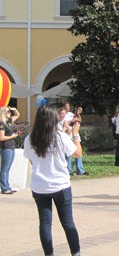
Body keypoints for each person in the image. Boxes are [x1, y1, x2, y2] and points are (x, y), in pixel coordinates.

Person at [23, 106, 82, 256]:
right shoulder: (60, 136)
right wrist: (75, 135)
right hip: (61, 185)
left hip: (39, 186)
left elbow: (31, 161)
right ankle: (76, 253)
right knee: (68, 222)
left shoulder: (30, 139)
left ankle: (49, 254)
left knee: (45, 223)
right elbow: (78, 153)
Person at [0, 106, 20, 194]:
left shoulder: (9, 122)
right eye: (8, 112)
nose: (10, 113)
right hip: (6, 147)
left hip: (11, 147)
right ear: (4, 113)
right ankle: (4, 187)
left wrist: (12, 109)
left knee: (8, 168)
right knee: (4, 168)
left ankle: (7, 186)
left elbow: (17, 114)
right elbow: (1, 137)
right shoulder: (2, 123)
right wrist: (12, 136)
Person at [66, 106, 88, 175]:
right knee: (69, 153)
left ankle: (80, 170)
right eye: (66, 107)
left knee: (78, 151)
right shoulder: (62, 115)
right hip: (68, 136)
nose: (68, 108)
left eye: (68, 107)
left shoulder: (71, 114)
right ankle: (69, 171)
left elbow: (79, 120)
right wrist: (72, 121)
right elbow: (66, 124)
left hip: (75, 135)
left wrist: (78, 114)